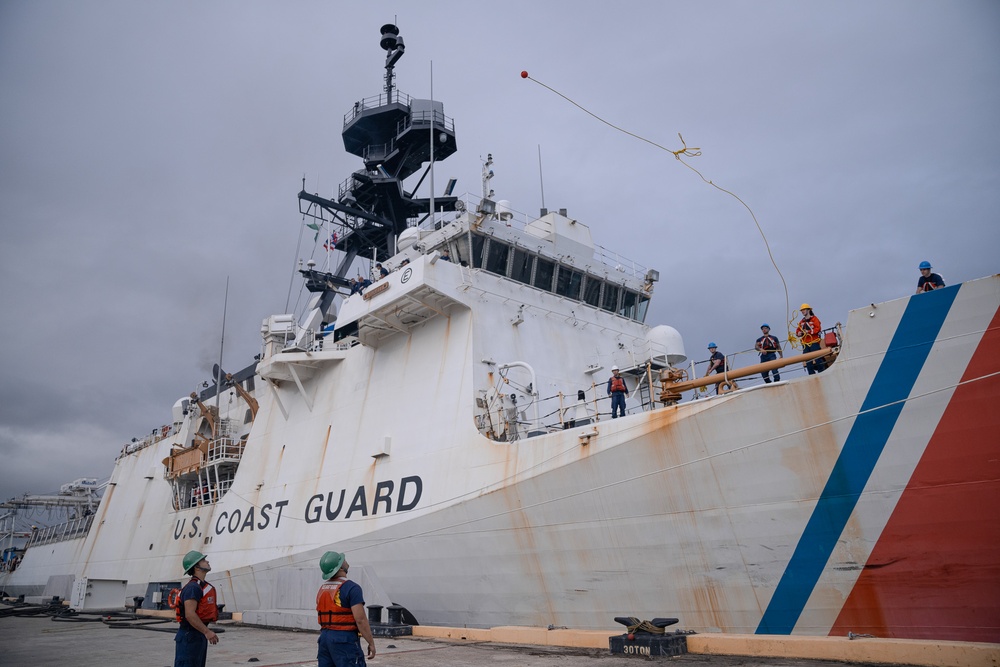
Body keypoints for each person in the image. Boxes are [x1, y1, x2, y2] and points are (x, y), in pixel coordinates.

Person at [316, 551, 376, 667]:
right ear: (339, 567)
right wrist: (371, 642)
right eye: (342, 560)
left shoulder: (322, 589)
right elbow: (360, 619)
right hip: (344, 639)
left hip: (324, 639)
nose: (345, 560)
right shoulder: (351, 588)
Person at [174, 550, 219, 667]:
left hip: (197, 635)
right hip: (189, 636)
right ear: (196, 567)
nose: (207, 561)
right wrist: (207, 632)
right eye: (203, 560)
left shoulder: (200, 586)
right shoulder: (193, 588)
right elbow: (190, 614)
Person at [796, 303, 827, 375]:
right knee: (807, 360)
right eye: (802, 310)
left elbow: (818, 328)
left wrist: (809, 332)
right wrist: (799, 333)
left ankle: (821, 373)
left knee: (817, 358)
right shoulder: (801, 322)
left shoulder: (814, 319)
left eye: (803, 310)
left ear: (808, 310)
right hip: (805, 344)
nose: (802, 311)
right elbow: (797, 331)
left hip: (814, 342)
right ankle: (811, 374)